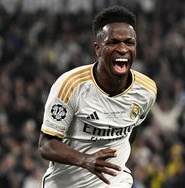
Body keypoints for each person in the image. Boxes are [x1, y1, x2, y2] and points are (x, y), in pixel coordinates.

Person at [38, 5, 157, 188]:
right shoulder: (71, 85)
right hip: (65, 183)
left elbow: (133, 127)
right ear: (98, 48)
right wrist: (86, 159)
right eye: (113, 42)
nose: (123, 48)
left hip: (114, 181)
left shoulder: (146, 90)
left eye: (129, 42)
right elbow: (46, 145)